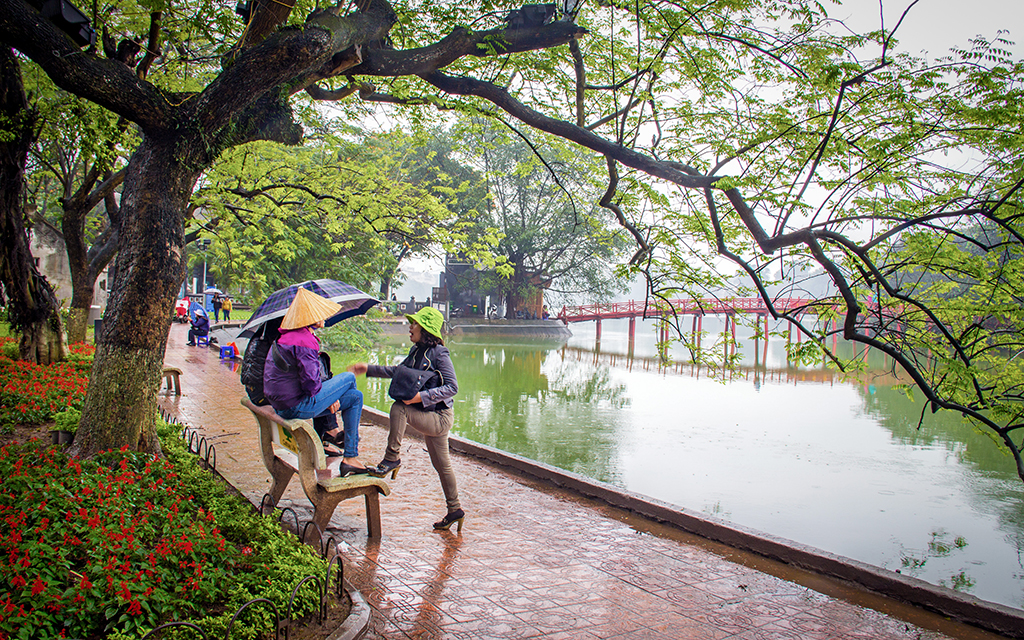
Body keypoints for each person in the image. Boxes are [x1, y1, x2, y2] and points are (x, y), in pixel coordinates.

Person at [348, 307, 464, 531]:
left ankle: (392, 458)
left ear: (426, 329)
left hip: (439, 417)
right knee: (442, 465)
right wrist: (368, 368)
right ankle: (455, 509)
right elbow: (397, 371)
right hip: (428, 415)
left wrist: (421, 396)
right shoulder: (415, 351)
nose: (410, 327)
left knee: (399, 408)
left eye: (415, 324)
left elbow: (453, 387)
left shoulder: (440, 354)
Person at [263, 288, 368, 476]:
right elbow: (311, 385)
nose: (325, 317)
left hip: (282, 405)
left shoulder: (286, 337)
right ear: (311, 316)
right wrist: (331, 398)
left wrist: (331, 397)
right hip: (296, 407)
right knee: (350, 377)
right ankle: (336, 437)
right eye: (321, 313)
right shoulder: (304, 340)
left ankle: (350, 456)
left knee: (356, 397)